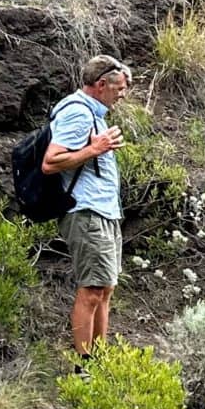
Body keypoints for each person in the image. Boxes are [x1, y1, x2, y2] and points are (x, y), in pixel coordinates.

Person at [45, 55, 132, 353]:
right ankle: (85, 368)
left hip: (104, 212)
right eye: (119, 87)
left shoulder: (95, 113)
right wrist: (95, 149)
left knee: (104, 289)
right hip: (87, 211)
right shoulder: (78, 113)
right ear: (100, 84)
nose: (123, 94)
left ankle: (100, 360)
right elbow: (51, 161)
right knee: (92, 290)